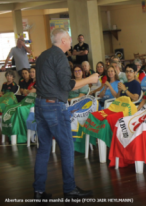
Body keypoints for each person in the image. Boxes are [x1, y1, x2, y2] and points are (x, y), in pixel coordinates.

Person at [34, 28, 98, 199]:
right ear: (63, 41)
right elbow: (67, 86)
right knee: (67, 147)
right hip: (54, 106)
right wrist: (89, 80)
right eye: (69, 38)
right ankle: (69, 189)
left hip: (40, 104)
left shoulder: (42, 56)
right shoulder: (60, 57)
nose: (71, 42)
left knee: (43, 149)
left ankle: (39, 191)